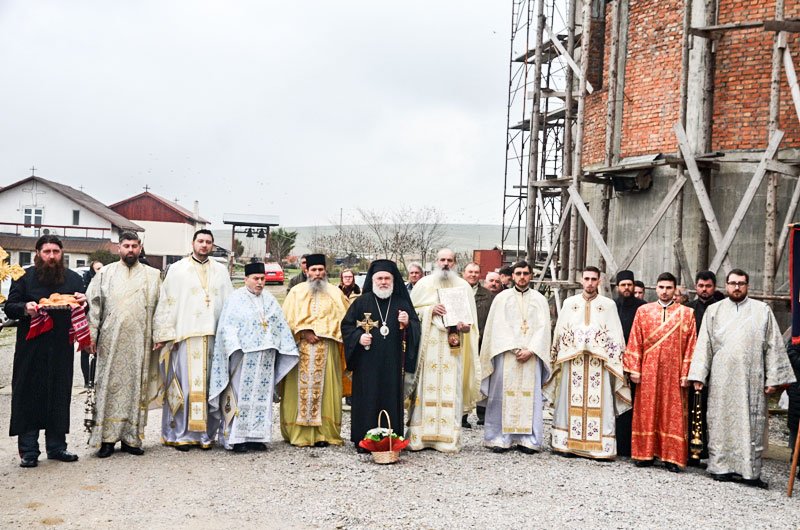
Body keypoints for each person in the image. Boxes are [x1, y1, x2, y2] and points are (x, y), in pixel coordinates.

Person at [688, 269, 796, 489]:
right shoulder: (714, 311)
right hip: (721, 378)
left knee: (751, 425)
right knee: (720, 421)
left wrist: (773, 378)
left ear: (747, 285)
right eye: (733, 283)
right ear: (726, 285)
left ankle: (750, 472)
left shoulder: (762, 310)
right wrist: (699, 375)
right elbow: (704, 345)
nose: (737, 287)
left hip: (752, 379)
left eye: (741, 283)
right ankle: (720, 467)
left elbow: (773, 346)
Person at [4, 235, 88, 467]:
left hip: (61, 347)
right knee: (29, 395)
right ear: (38, 254)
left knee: (59, 393)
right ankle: (29, 450)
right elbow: (9, 307)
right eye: (46, 251)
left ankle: (57, 447)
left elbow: (81, 308)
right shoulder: (23, 277)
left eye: (56, 252)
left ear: (62, 254)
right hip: (31, 348)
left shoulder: (73, 279)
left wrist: (84, 301)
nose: (51, 256)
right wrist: (25, 308)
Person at [153, 229, 234, 451]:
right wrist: (166, 335)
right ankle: (180, 434)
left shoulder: (221, 270)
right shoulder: (177, 270)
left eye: (208, 242)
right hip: (185, 337)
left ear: (213, 245)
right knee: (184, 389)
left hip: (213, 338)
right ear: (193, 243)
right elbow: (166, 303)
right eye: (200, 241)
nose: (204, 245)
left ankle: (205, 435)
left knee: (209, 388)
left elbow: (229, 305)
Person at [208, 262, 299, 453]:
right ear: (246, 279)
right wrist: (235, 348)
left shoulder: (270, 299)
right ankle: (236, 438)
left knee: (262, 398)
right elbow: (227, 327)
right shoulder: (235, 299)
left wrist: (283, 346)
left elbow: (279, 324)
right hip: (244, 356)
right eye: (256, 279)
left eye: (263, 279)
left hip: (266, 356)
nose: (260, 282)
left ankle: (257, 437)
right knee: (240, 396)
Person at [86, 232, 162, 458]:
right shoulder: (105, 274)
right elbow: (94, 306)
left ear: (140, 248)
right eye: (126, 246)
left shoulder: (153, 275)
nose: (131, 250)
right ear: (119, 248)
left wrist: (159, 334)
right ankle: (107, 439)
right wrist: (91, 335)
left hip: (141, 340)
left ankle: (131, 438)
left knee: (136, 386)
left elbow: (161, 307)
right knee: (108, 385)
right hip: (110, 341)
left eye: (134, 246)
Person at [545, 265, 631, 459]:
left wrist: (596, 344)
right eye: (587, 279)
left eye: (594, 279)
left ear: (599, 281)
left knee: (601, 402)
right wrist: (574, 342)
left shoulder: (608, 305)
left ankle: (600, 447)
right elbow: (561, 332)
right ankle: (566, 444)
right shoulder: (569, 303)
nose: (590, 283)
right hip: (572, 360)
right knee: (568, 399)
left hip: (599, 364)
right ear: (581, 280)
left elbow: (615, 336)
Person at [341, 260, 420, 452]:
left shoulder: (402, 303)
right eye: (379, 278)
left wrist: (408, 323)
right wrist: (359, 338)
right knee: (366, 398)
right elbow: (346, 326)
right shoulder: (361, 302)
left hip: (392, 363)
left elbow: (417, 329)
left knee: (390, 398)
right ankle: (363, 439)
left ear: (393, 280)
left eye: (387, 278)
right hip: (366, 364)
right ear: (372, 280)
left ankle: (391, 440)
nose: (383, 282)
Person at [406, 248, 481, 452]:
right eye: (442, 260)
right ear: (435, 262)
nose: (445, 263)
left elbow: (470, 322)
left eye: (449, 260)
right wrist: (430, 309)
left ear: (455, 263)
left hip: (452, 348)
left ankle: (447, 438)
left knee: (451, 387)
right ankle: (420, 437)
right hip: (428, 345)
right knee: (425, 387)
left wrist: (466, 327)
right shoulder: (423, 284)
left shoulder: (463, 286)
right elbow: (412, 314)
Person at [624, 272, 697, 472]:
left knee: (672, 414)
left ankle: (671, 457)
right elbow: (635, 341)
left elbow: (692, 346)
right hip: (648, 370)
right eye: (661, 287)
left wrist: (686, 374)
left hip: (674, 372)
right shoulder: (643, 311)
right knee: (646, 410)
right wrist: (634, 369)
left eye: (669, 288)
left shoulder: (686, 314)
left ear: (675, 290)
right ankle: (644, 454)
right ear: (655, 288)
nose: (665, 292)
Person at [479, 261, 550, 453]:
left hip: (531, 356)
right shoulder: (502, 298)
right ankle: (500, 438)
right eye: (518, 273)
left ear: (531, 275)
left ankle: (529, 440)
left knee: (530, 397)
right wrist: (513, 348)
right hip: (507, 354)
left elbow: (544, 329)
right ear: (512, 276)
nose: (522, 277)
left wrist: (531, 349)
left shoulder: (539, 299)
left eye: (525, 273)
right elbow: (497, 327)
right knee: (502, 395)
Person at [280, 253, 349, 447]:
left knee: (326, 392)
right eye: (313, 270)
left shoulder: (336, 293)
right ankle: (299, 433)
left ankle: (324, 434)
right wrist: (303, 333)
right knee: (299, 392)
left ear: (325, 271)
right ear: (306, 271)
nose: (317, 273)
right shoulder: (296, 292)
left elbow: (346, 320)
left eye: (320, 270)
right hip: (302, 351)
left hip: (328, 350)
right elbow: (286, 320)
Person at [684, 270, 725, 467]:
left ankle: (712, 452)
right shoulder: (687, 309)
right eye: (701, 286)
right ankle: (689, 451)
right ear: (696, 287)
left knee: (713, 410)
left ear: (714, 287)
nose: (704, 290)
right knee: (690, 407)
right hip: (691, 365)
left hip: (716, 366)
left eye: (708, 286)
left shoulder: (722, 309)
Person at [613, 269, 646, 458]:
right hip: (614, 360)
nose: (626, 288)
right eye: (623, 285)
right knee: (614, 400)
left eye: (629, 284)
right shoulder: (612, 306)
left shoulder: (643, 307)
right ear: (618, 287)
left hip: (635, 362)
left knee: (632, 404)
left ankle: (629, 447)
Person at [463, 262, 495, 425]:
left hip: (481, 342)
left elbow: (491, 319)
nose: (473, 275)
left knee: (481, 377)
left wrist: (481, 335)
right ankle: (462, 415)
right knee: (464, 377)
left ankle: (482, 414)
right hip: (462, 342)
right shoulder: (457, 291)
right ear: (464, 273)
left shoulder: (488, 296)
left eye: (476, 272)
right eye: (470, 272)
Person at [80, 260, 104, 388]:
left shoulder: (105, 282)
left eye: (102, 268)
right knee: (86, 351)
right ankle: (87, 379)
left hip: (101, 322)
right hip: (86, 322)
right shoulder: (86, 283)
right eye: (97, 269)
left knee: (98, 352)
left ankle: (96, 377)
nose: (100, 271)